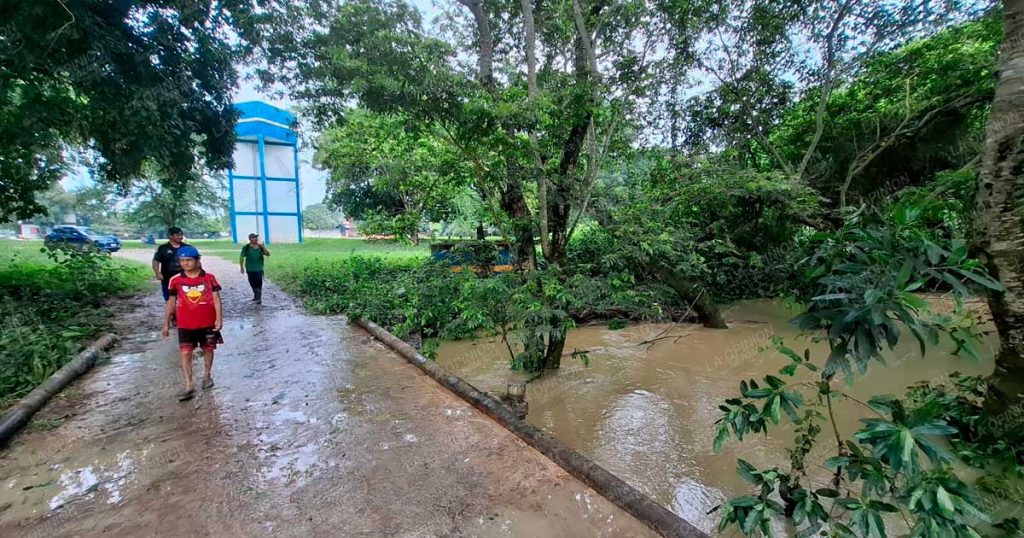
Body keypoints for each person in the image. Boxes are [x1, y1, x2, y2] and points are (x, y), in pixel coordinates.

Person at [162, 246, 223, 401]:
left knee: (208, 349)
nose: (186, 263)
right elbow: (171, 301)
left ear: (197, 260)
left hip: (207, 322)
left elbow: (216, 299)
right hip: (185, 324)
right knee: (185, 352)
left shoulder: (209, 278)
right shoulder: (175, 280)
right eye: (182, 261)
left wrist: (219, 318)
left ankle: (207, 375)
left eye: (189, 260)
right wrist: (166, 323)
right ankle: (189, 385)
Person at [152, 226, 186, 301]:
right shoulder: (162, 248)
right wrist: (157, 273)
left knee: (184, 298)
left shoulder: (187, 247)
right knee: (169, 298)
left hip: (184, 277)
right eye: (177, 235)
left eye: (181, 235)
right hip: (167, 278)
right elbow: (155, 261)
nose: (180, 237)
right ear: (170, 236)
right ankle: (171, 311)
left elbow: (196, 261)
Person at [239, 233, 270, 304]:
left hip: (259, 268)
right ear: (250, 239)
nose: (255, 239)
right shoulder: (246, 247)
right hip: (250, 268)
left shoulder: (260, 247)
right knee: (252, 282)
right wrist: (241, 267)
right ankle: (256, 295)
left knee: (259, 282)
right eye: (253, 237)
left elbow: (267, 254)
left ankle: (259, 298)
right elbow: (241, 257)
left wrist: (263, 247)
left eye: (256, 237)